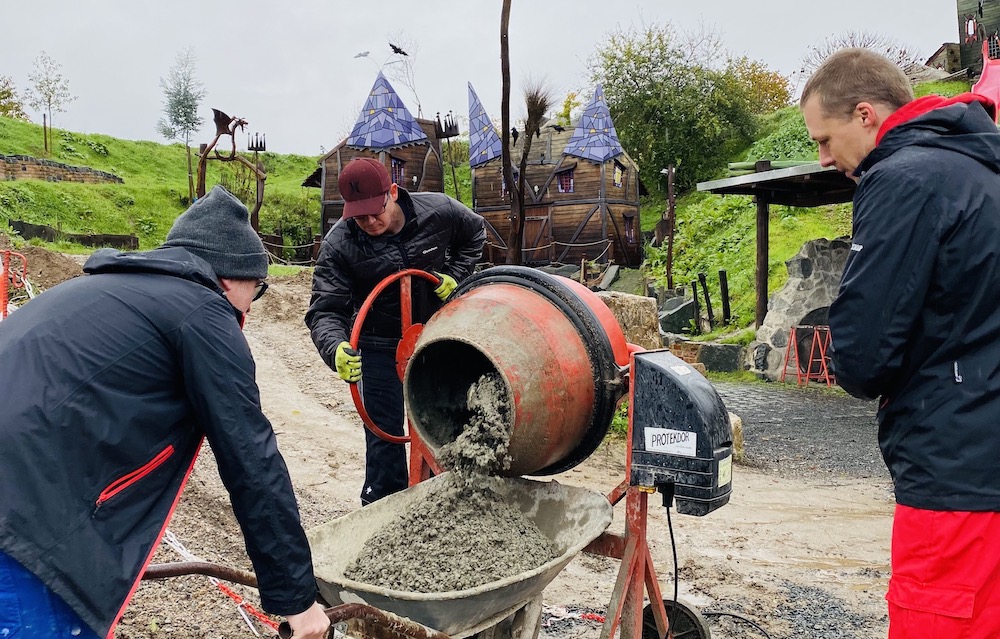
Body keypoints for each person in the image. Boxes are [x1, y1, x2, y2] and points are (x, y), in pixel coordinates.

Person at [0, 186, 330, 639]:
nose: (252, 305)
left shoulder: (94, 288)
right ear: (232, 276)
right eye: (258, 288)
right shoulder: (203, 313)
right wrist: (299, 602)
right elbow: (251, 460)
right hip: (22, 515)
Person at [801, 48, 1000, 638]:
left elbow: (861, 355)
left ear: (866, 114)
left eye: (825, 139)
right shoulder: (983, 169)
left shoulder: (902, 179)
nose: (825, 158)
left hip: (954, 469)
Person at [305, 157, 485, 505]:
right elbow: (326, 310)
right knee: (383, 434)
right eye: (360, 216)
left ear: (392, 191)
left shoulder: (439, 210)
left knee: (445, 420)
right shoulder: (340, 245)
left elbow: (475, 233)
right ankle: (384, 506)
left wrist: (457, 275)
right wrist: (336, 348)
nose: (371, 222)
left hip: (437, 337)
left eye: (376, 211)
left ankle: (445, 500)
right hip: (377, 344)